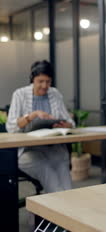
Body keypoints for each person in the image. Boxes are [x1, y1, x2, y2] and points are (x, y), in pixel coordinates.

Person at [6, 60, 75, 193]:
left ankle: (63, 206)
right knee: (51, 179)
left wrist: (64, 124)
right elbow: (11, 127)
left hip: (53, 149)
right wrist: (32, 116)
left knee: (66, 181)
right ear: (33, 79)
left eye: (48, 82)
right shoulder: (19, 94)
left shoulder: (55, 93)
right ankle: (59, 209)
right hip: (28, 152)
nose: (44, 85)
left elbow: (70, 123)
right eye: (40, 81)